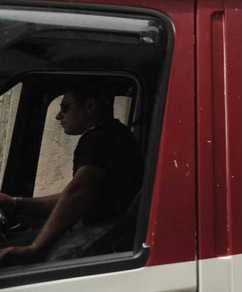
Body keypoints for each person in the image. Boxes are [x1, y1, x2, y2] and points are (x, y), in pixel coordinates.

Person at [0, 83, 144, 264]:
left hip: (101, 235)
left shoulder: (98, 139)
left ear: (90, 106)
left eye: (65, 107)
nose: (58, 116)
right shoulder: (115, 133)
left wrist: (35, 249)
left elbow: (77, 193)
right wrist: (15, 203)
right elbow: (72, 197)